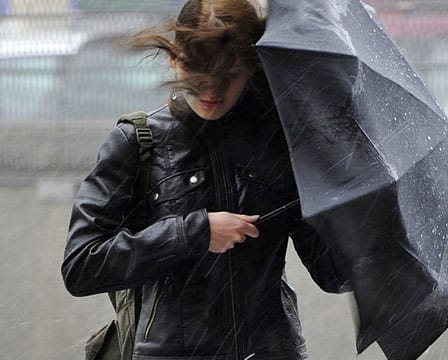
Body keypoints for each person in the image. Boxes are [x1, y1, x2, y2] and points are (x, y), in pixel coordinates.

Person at [61, 0, 351, 359]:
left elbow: (334, 275)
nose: (211, 90)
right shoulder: (138, 143)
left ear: (251, 66)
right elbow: (81, 266)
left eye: (227, 75)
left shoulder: (281, 142)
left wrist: (355, 212)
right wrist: (194, 232)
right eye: (197, 72)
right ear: (174, 59)